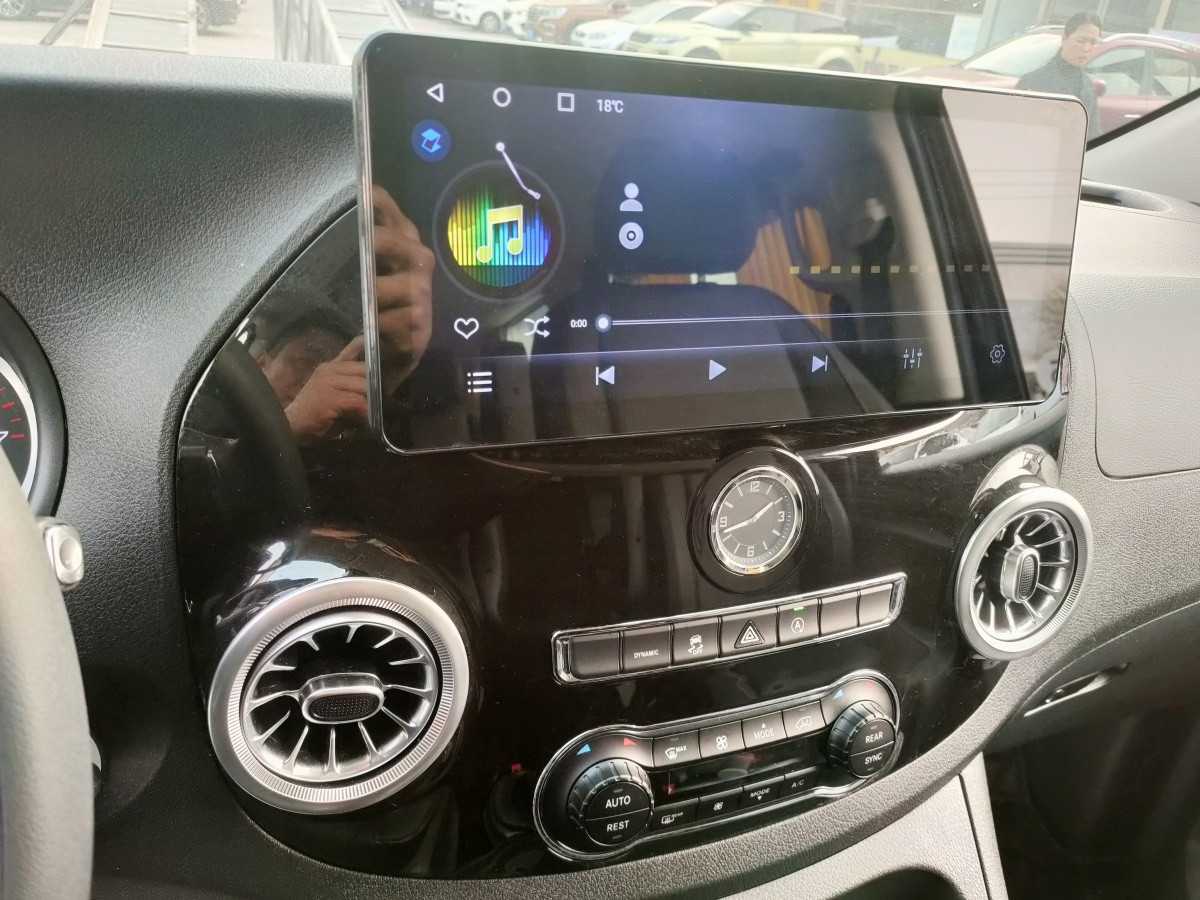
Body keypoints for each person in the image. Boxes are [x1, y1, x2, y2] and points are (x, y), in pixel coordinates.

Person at [1016, 12, 1103, 139]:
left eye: (1093, 42)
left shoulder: (1088, 85)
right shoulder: (1032, 81)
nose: (1086, 48)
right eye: (1081, 41)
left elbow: (1093, 134)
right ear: (1064, 39)